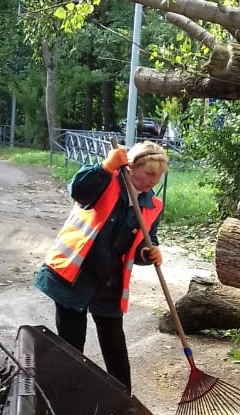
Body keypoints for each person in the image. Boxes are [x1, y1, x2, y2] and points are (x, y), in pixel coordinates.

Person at [33, 140, 168, 390]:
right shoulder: (105, 180)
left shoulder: (153, 205)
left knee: (114, 342)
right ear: (131, 168)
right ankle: (68, 397)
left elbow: (144, 243)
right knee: (72, 342)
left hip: (109, 282)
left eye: (158, 176)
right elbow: (78, 189)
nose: (153, 181)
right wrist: (105, 167)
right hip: (74, 275)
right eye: (149, 173)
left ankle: (125, 400)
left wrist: (149, 253)